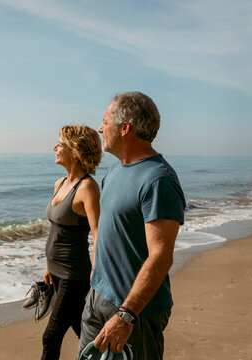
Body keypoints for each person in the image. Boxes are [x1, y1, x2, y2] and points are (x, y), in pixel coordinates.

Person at [78, 92, 186, 360]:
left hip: (134, 311)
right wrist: (95, 279)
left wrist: (126, 315)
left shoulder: (158, 180)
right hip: (98, 298)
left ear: (125, 128)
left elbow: (161, 256)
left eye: (105, 122)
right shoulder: (114, 170)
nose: (100, 128)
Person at [41, 125, 102, 360]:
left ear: (75, 150)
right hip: (56, 272)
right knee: (83, 330)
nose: (55, 148)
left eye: (60, 144)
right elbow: (56, 232)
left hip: (73, 277)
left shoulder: (87, 188)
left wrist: (97, 272)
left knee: (50, 337)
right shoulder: (59, 183)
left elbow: (98, 234)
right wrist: (48, 265)